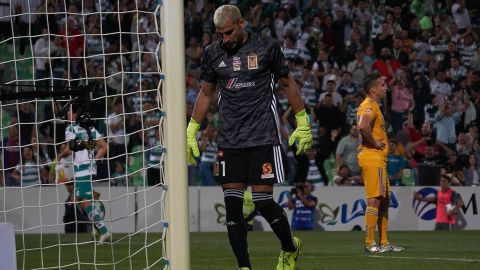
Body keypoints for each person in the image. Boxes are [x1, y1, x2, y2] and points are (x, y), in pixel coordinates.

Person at [186, 5, 312, 270]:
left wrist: (303, 122)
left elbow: (288, 84)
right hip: (229, 140)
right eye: (220, 34)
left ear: (241, 23)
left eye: (229, 32)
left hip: (262, 136)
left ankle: (289, 248)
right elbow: (206, 93)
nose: (225, 38)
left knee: (263, 202)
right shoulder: (212, 53)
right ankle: (244, 266)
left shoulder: (267, 47)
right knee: (233, 208)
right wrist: (191, 130)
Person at [357, 74, 404, 253]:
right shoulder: (368, 105)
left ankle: (384, 242)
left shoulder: (375, 105)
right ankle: (370, 243)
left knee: (384, 201)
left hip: (379, 159)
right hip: (372, 157)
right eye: (383, 85)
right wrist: (375, 143)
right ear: (373, 89)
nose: (387, 87)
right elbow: (362, 126)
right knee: (374, 201)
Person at [57, 103, 110, 244]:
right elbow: (104, 147)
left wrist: (59, 156)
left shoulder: (70, 128)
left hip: (81, 168)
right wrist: (93, 159)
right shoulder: (91, 128)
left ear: (75, 114)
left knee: (80, 198)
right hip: (89, 168)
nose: (68, 113)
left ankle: (103, 230)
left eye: (69, 111)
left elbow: (70, 148)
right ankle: (98, 228)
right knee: (83, 199)